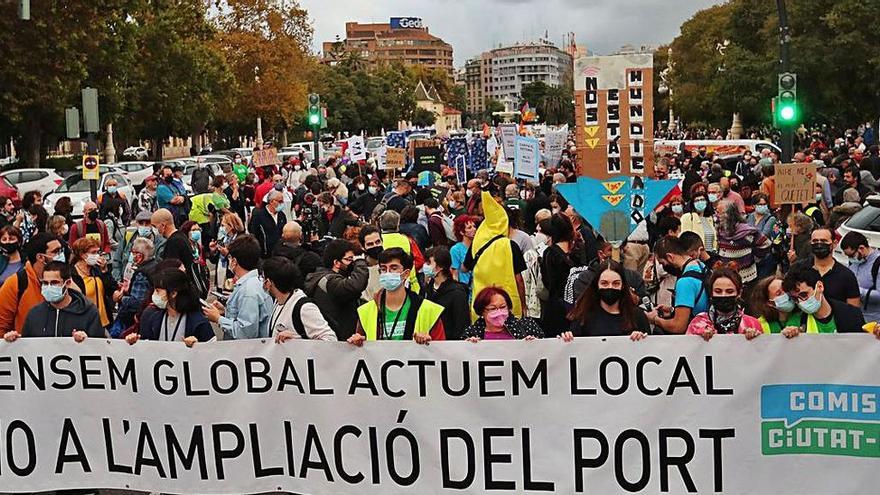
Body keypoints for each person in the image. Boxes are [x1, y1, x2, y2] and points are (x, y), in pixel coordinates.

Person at [348, 248, 445, 345]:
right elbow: (359, 350)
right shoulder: (366, 311)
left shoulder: (429, 310)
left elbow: (441, 351)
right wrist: (357, 341)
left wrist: (429, 343)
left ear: (406, 274)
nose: (387, 273)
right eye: (383, 269)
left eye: (393, 268)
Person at [4, 261, 103, 341]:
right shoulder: (34, 314)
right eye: (45, 283)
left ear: (67, 283)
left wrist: (87, 341)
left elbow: (100, 349)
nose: (49, 287)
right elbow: (27, 347)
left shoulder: (89, 312)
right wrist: (15, 341)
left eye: (54, 282)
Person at [466, 191, 527, 320]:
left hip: (481, 306)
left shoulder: (477, 244)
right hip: (507, 305)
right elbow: (519, 279)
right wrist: (523, 304)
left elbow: (465, 267)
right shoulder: (511, 245)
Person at [202, 235, 273, 339]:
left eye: (230, 258)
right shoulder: (255, 283)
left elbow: (246, 333)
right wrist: (226, 311)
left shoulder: (248, 291)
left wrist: (218, 319)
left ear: (234, 261)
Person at [563, 259, 650, 340]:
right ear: (597, 285)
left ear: (623, 285)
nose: (610, 287)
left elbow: (650, 349)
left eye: (616, 283)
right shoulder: (583, 317)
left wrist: (641, 339)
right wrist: (567, 339)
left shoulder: (638, 316)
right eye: (604, 283)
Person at [129, 268, 214, 346]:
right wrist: (134, 342)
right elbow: (144, 347)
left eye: (158, 291)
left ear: (173, 293)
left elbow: (213, 352)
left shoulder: (198, 322)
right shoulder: (151, 316)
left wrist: (199, 346)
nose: (154, 294)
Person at [304, 239, 369, 340]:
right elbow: (356, 285)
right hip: (338, 342)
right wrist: (360, 262)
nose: (352, 263)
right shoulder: (330, 281)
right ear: (336, 263)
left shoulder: (323, 278)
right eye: (349, 259)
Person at [0, 233, 63, 335]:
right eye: (55, 251)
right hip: (27, 348)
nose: (61, 255)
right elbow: (1, 325)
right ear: (40, 257)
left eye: (61, 250)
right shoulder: (16, 283)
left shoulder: (66, 279)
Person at [262, 256, 337, 342]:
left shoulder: (304, 308)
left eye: (263, 277)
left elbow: (330, 339)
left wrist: (298, 340)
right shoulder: (278, 301)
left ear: (268, 282)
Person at [648, 235, 710, 334]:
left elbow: (678, 327)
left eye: (662, 263)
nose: (664, 267)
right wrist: (673, 310)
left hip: (694, 338)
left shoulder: (685, 282)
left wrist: (655, 319)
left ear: (670, 257)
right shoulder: (701, 266)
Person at [686, 263, 763, 340]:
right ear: (711, 293)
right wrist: (699, 338)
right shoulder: (698, 323)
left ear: (739, 293)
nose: (723, 295)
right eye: (718, 291)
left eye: (729, 291)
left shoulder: (752, 324)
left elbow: (762, 350)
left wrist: (754, 339)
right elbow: (688, 349)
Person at [781, 262, 865, 333]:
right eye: (795, 299)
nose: (801, 301)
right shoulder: (796, 321)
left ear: (820, 287)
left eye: (804, 295)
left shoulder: (852, 315)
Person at [540, 213, 580, 336]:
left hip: (556, 306)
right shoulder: (578, 248)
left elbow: (548, 282)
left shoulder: (550, 253)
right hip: (579, 303)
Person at [715, 199, 770, 287]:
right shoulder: (720, 229)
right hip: (725, 277)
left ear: (729, 214)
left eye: (720, 213)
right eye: (716, 212)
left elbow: (765, 244)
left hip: (746, 278)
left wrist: (754, 257)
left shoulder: (747, 232)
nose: (717, 216)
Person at [802, 227, 861, 307]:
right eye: (815, 241)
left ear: (834, 243)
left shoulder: (846, 276)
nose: (819, 244)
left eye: (824, 241)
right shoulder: (799, 269)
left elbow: (854, 310)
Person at [461, 286, 542, 341]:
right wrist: (469, 347)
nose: (499, 312)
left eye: (503, 307)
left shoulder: (527, 326)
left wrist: (534, 344)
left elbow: (545, 350)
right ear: (481, 311)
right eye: (492, 308)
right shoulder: (472, 333)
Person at [113, 237, 159, 334]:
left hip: (135, 319)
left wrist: (120, 298)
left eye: (133, 252)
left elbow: (137, 302)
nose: (131, 255)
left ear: (139, 256)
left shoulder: (141, 274)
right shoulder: (155, 265)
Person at [422, 246, 470, 340]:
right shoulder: (427, 289)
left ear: (439, 267)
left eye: (428, 263)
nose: (425, 266)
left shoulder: (457, 293)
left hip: (449, 346)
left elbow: (461, 326)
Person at [70, 237, 117, 329]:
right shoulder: (72, 274)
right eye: (93, 253)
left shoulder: (96, 269)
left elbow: (110, 289)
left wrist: (105, 271)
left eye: (98, 252)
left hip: (104, 321)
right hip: (85, 323)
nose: (97, 256)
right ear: (82, 254)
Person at [378, 210, 423, 293]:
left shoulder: (378, 241)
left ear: (381, 223)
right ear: (398, 224)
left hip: (382, 284)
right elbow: (418, 260)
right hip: (408, 283)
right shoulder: (407, 240)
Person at [840, 231, 880, 322]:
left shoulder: (877, 263)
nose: (850, 259)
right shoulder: (854, 261)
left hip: (875, 320)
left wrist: (856, 290)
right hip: (856, 316)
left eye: (851, 255)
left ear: (861, 248)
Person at [113, 210, 163, 281]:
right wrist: (117, 280)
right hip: (123, 282)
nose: (144, 226)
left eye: (147, 223)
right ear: (136, 224)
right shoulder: (128, 236)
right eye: (141, 223)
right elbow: (117, 260)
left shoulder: (158, 241)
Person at [249, 189, 287, 257]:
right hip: (265, 256)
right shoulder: (258, 216)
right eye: (280, 201)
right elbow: (254, 234)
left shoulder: (282, 215)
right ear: (272, 201)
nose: (282, 203)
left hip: (280, 254)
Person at [680, 188, 717, 253]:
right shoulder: (687, 217)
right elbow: (684, 238)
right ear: (692, 204)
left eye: (702, 200)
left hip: (711, 254)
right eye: (697, 201)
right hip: (696, 255)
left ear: (706, 202)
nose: (700, 202)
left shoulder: (709, 218)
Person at [358, 225, 383, 302]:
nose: (375, 246)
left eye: (378, 242)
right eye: (370, 244)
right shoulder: (360, 270)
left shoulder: (391, 262)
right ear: (363, 247)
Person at [450, 214, 476, 287]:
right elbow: (454, 273)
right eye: (469, 228)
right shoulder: (456, 249)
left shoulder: (477, 246)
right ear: (461, 232)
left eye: (474, 226)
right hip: (465, 287)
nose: (474, 229)